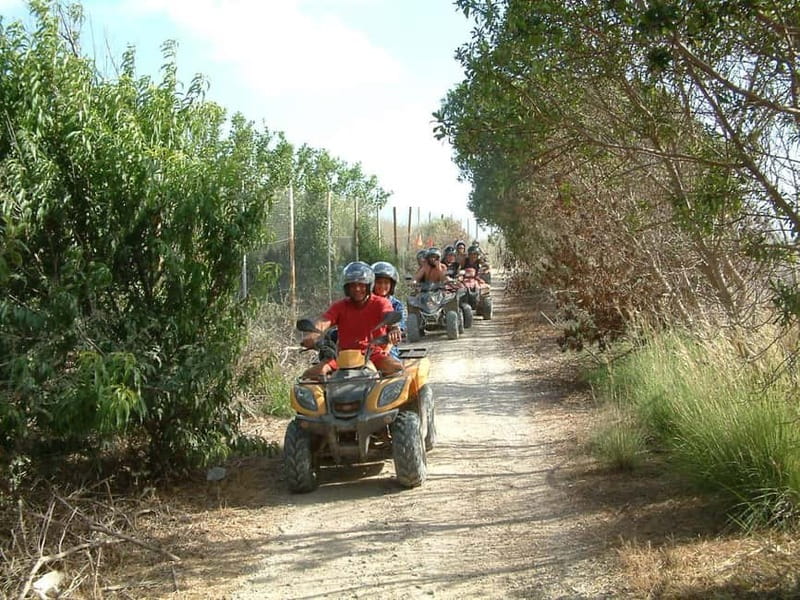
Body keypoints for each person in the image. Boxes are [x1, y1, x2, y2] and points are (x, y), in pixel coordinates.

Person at [301, 262, 403, 379]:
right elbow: (324, 321)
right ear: (347, 288)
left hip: (373, 355)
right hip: (343, 358)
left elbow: (389, 315)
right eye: (352, 285)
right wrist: (313, 334)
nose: (357, 289)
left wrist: (394, 329)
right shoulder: (340, 306)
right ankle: (325, 397)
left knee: (397, 370)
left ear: (369, 285)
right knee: (308, 377)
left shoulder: (381, 302)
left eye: (361, 284)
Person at [371, 261, 407, 359]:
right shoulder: (365, 303)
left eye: (386, 283)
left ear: (392, 285)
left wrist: (396, 329)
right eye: (379, 282)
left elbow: (400, 324)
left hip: (386, 345)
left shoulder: (396, 305)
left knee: (393, 369)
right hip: (364, 345)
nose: (382, 286)